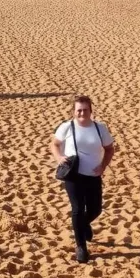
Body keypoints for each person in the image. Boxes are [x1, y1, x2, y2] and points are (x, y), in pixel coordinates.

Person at [49, 96, 115, 264]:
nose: (82, 113)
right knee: (78, 209)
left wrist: (103, 166)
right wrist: (59, 158)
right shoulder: (67, 127)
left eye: (85, 109)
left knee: (96, 209)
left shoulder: (100, 128)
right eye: (79, 110)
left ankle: (83, 225)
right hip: (74, 175)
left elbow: (109, 149)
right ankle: (81, 247)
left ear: (91, 111)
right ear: (74, 111)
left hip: (93, 175)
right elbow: (55, 144)